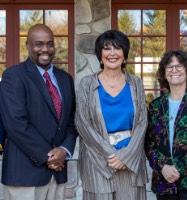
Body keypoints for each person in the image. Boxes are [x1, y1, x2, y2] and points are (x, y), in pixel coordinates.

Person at [0, 24, 78, 200]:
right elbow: (15, 124)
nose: (45, 49)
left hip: (57, 176)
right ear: (27, 45)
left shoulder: (65, 79)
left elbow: (72, 122)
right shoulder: (13, 76)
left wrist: (64, 150)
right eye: (39, 44)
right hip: (24, 175)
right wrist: (50, 157)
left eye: (50, 44)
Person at [75, 29, 148, 200]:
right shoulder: (87, 83)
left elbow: (142, 122)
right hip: (98, 162)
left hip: (130, 162)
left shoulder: (136, 83)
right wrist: (111, 154)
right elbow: (82, 123)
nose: (112, 53)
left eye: (117, 48)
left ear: (125, 54)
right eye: (107, 48)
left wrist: (125, 156)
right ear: (100, 54)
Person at [145, 50, 187, 200]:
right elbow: (149, 143)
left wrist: (178, 169)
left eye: (179, 66)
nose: (174, 70)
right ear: (164, 73)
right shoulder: (156, 106)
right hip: (164, 184)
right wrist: (163, 167)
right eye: (169, 67)